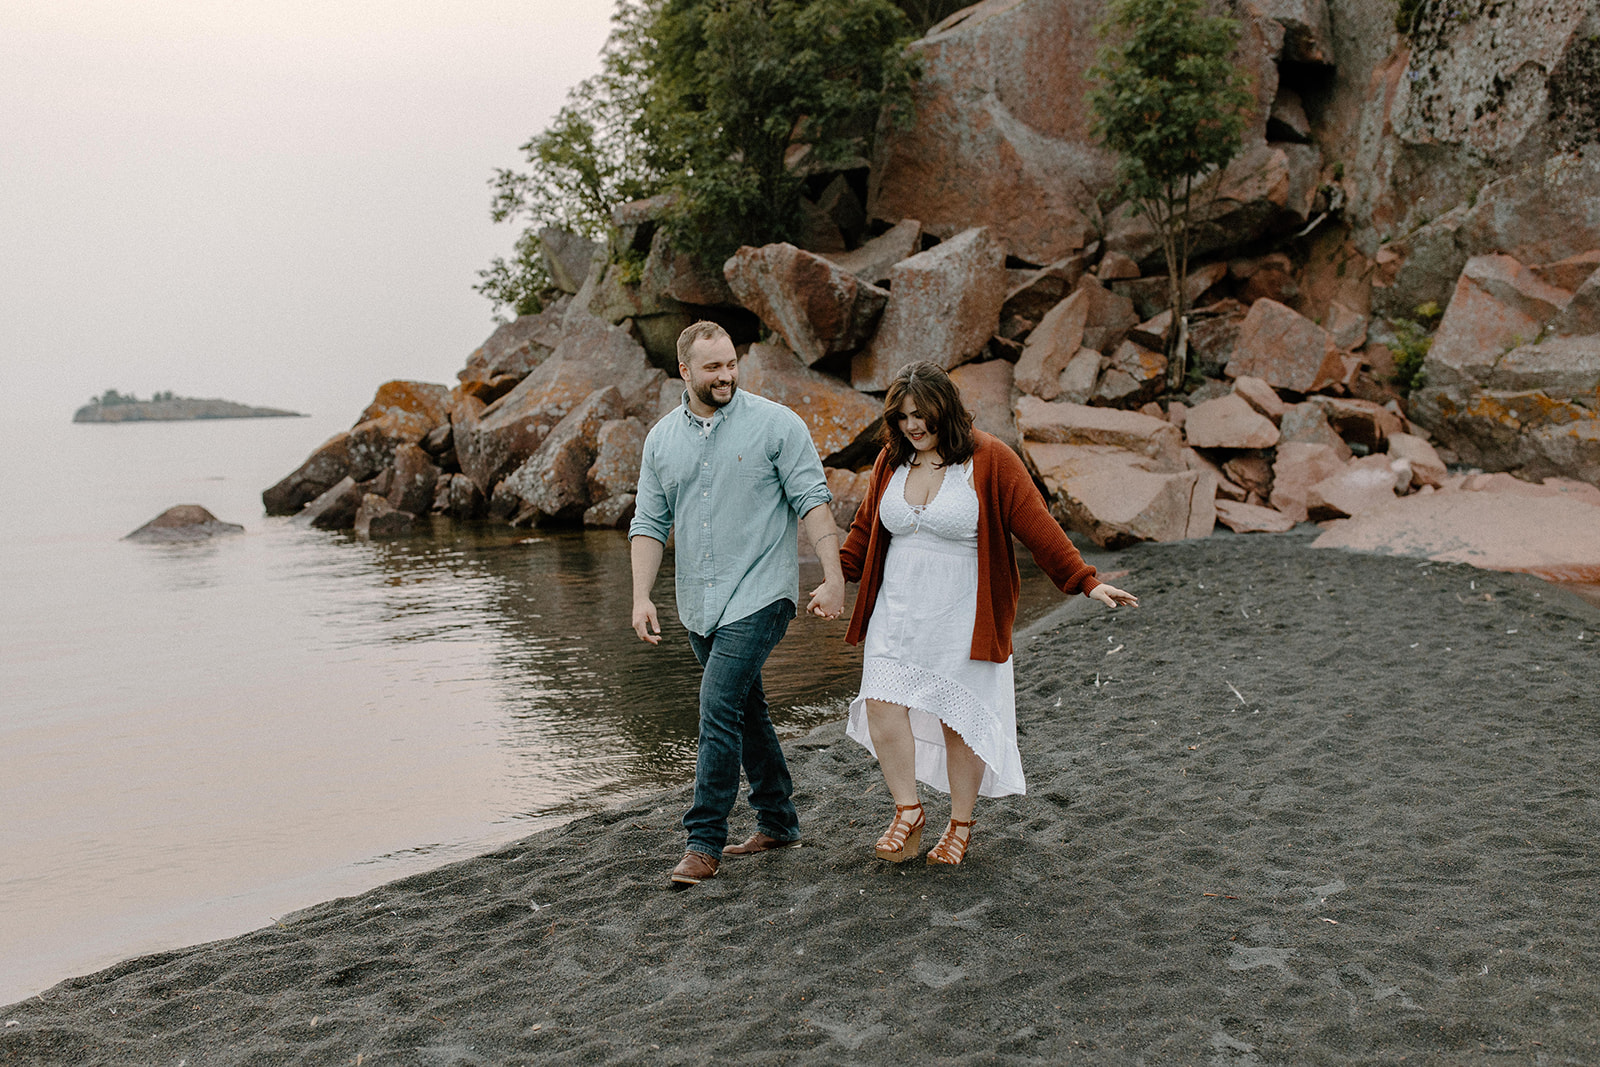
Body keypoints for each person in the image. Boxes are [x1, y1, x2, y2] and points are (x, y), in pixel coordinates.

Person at [839, 361, 1138, 866]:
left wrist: (1085, 582)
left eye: (923, 415)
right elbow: (864, 533)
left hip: (963, 614)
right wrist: (831, 577)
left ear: (947, 412)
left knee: (960, 720)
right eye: (904, 417)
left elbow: (1037, 525)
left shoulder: (991, 458)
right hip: (899, 612)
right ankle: (908, 811)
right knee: (881, 703)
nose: (914, 426)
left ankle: (959, 824)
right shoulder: (892, 459)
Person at [631, 320, 846, 890]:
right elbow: (649, 523)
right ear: (684, 371)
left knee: (717, 704)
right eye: (712, 367)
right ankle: (778, 821)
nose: (726, 375)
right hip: (698, 604)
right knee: (746, 710)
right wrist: (639, 595)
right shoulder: (661, 440)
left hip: (762, 594)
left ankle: (703, 842)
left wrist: (833, 577)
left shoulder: (777, 425)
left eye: (731, 364)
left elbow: (814, 503)